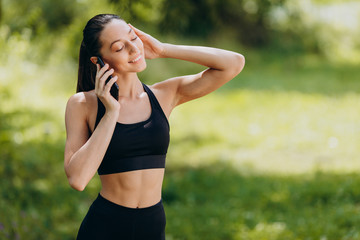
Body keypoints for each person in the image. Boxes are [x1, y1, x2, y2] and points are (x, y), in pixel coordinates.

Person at [64, 13, 245, 240]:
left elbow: (234, 63)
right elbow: (78, 179)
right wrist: (111, 113)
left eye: (133, 38)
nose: (133, 49)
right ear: (99, 61)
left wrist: (163, 49)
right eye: (119, 47)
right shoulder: (83, 104)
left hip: (152, 225)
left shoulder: (165, 94)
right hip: (106, 226)